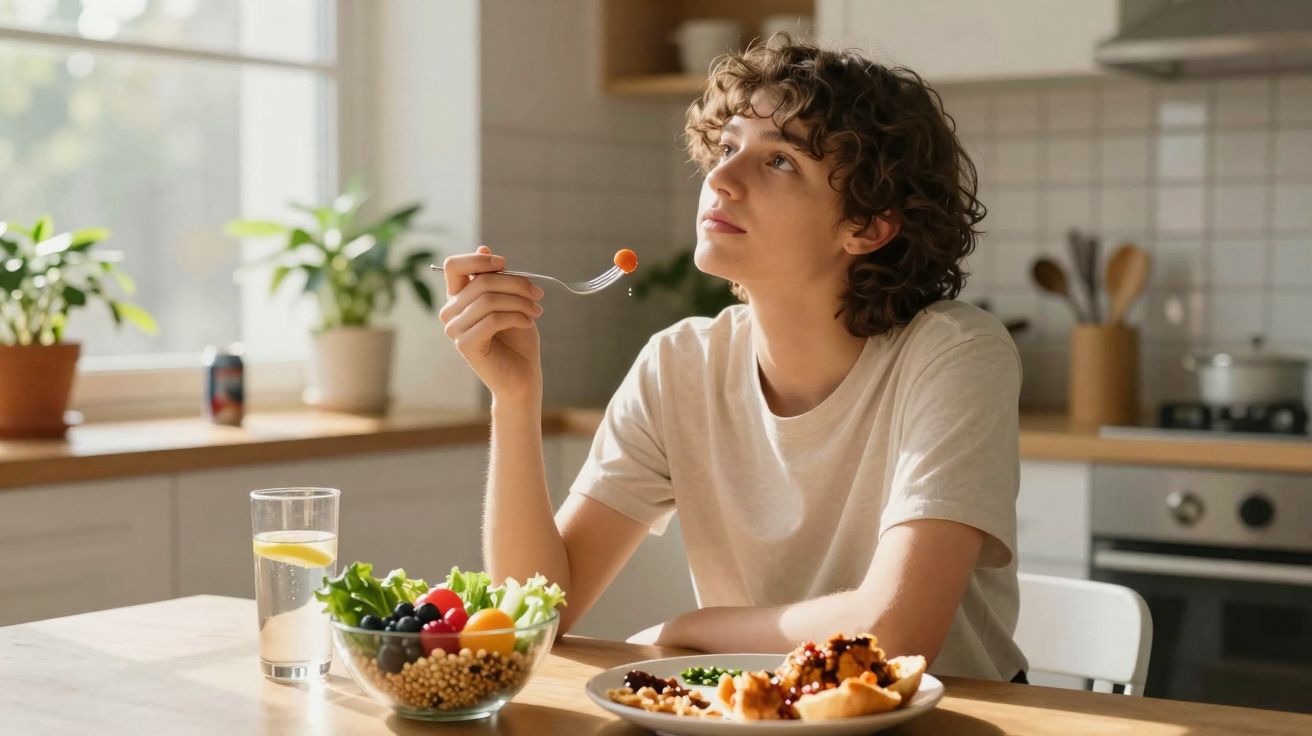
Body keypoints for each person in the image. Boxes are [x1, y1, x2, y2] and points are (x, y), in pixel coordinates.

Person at [438, 35, 1027, 682]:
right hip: (760, 716)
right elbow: (537, 616)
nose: (720, 178)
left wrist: (693, 630)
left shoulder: (954, 354)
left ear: (867, 228)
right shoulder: (680, 365)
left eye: (779, 162)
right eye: (727, 147)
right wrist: (514, 397)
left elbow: (896, 630)